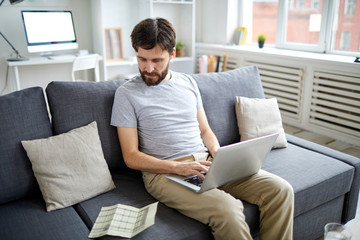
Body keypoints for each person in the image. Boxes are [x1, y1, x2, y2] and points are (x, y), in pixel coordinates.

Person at [111, 17, 294, 240]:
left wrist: (219, 155)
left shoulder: (188, 83)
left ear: (172, 55)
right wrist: (176, 168)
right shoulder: (126, 94)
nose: (148, 68)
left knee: (281, 190)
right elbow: (130, 157)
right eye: (142, 59)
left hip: (206, 162)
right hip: (164, 173)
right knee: (228, 210)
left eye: (156, 60)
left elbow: (205, 131)